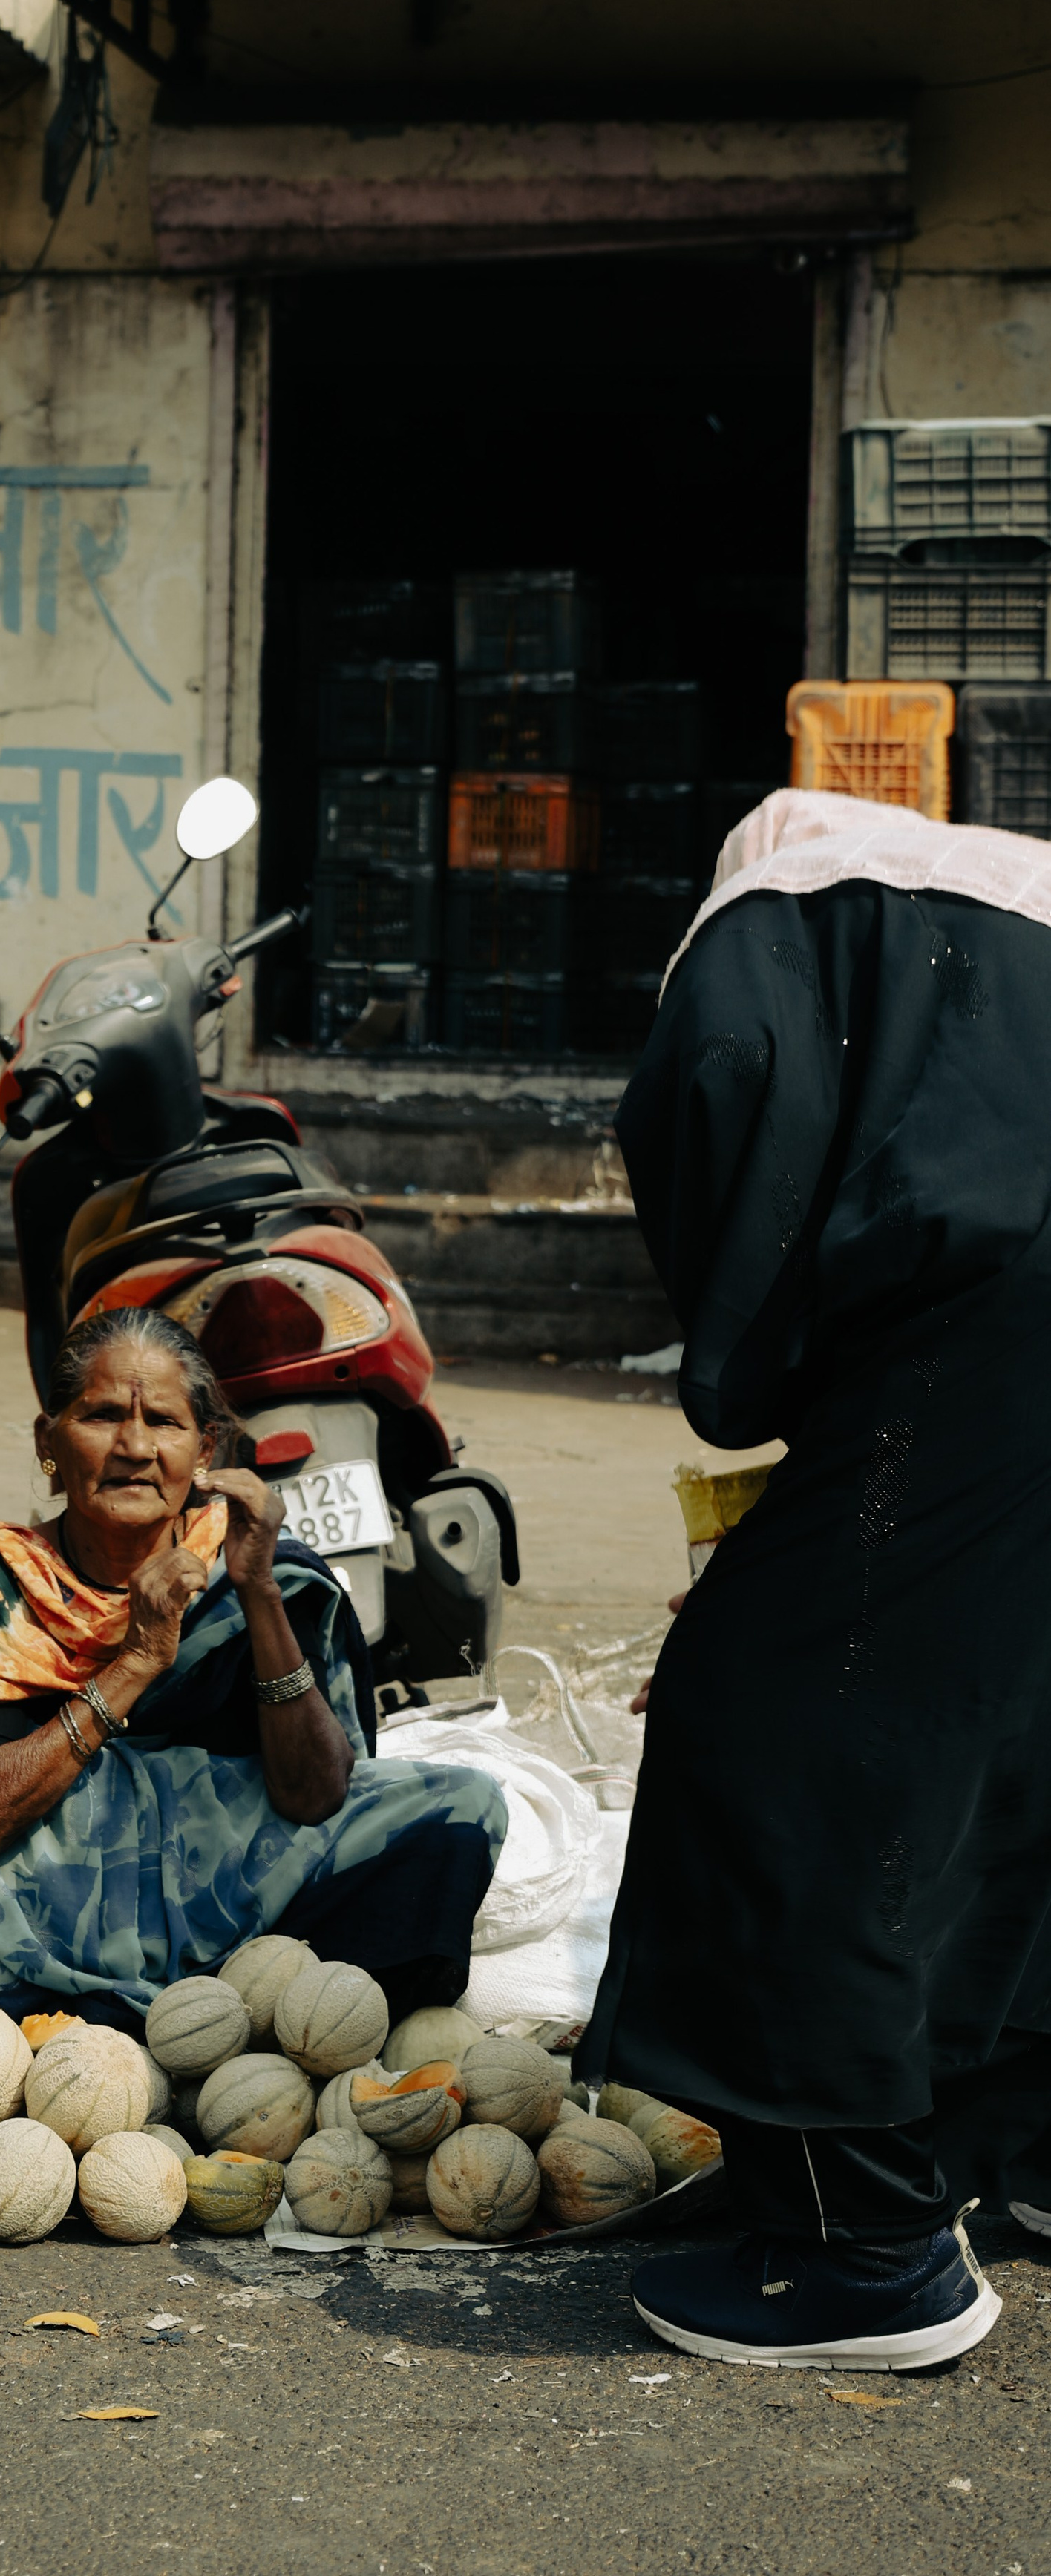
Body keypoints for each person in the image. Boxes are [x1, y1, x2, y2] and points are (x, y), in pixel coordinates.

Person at [580, 789, 1051, 2371]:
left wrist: (764, 1407)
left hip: (990, 1325)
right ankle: (1005, 2143)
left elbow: (714, 1105)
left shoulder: (761, 921)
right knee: (1009, 1713)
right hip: (1001, 1328)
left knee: (768, 1720)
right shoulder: (988, 916)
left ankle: (865, 2253)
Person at [0, 1304, 506, 2026]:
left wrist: (259, 1594)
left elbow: (315, 1797)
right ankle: (6, 2016)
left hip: (234, 1886)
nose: (134, 1446)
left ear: (205, 1450)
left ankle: (275, 2018)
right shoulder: (4, 1578)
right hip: (34, 1898)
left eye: (163, 1422)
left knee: (461, 1803)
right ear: (46, 1443)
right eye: (100, 1416)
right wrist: (138, 1660)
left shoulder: (255, 1572)